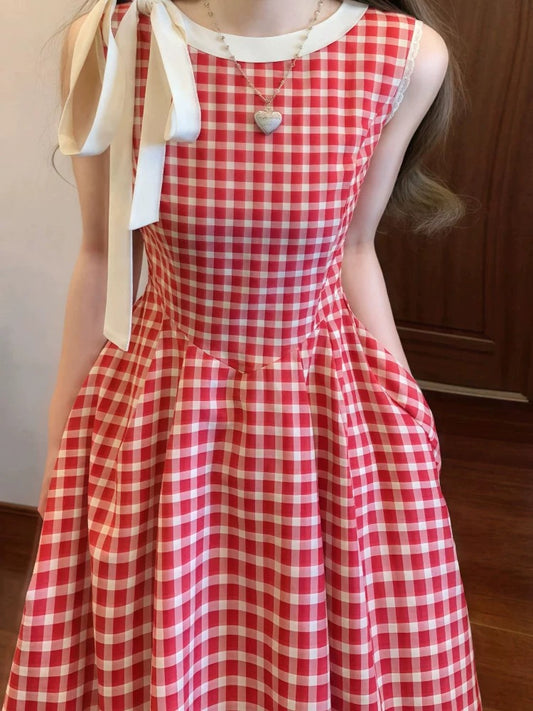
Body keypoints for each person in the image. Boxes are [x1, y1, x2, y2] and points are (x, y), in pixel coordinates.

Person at [4, 0, 483, 708]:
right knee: (167, 632)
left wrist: (410, 415)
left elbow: (354, 249)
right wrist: (59, 447)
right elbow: (104, 255)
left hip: (321, 405)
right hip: (165, 410)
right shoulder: (111, 40)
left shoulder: (405, 56)